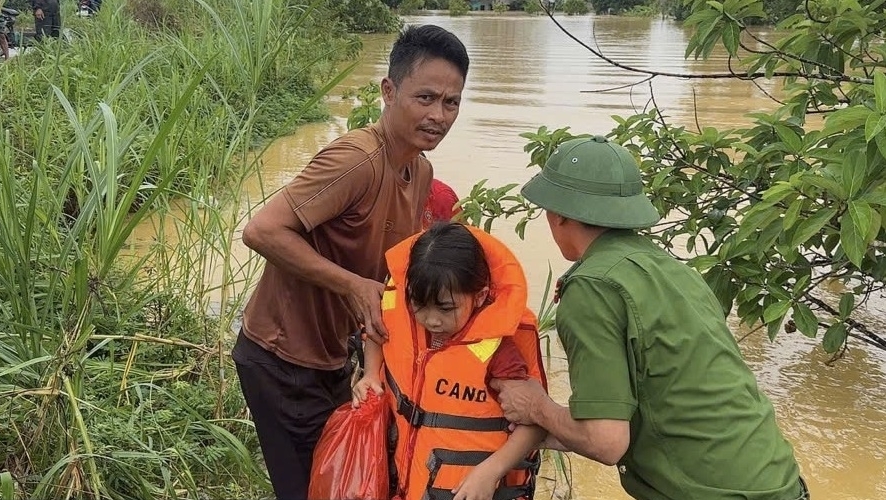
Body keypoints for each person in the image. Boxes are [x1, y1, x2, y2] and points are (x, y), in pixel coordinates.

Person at [491, 136, 809, 500]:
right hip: (781, 483)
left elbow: (606, 441)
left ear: (558, 212)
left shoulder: (592, 287)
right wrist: (557, 429)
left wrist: (536, 405)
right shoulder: (675, 271)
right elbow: (675, 396)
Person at [233, 25, 469, 500]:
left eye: (451, 102)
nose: (438, 115)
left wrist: (374, 366)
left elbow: (391, 276)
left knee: (342, 481)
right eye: (425, 97)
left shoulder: (419, 171)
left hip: (333, 358)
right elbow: (261, 230)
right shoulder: (356, 160)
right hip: (282, 359)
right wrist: (351, 286)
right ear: (388, 91)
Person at [352, 222, 547, 500]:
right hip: (406, 482)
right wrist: (370, 373)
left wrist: (491, 471)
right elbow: (378, 332)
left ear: (479, 296)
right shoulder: (402, 313)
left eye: (446, 308)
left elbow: (535, 422)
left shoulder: (499, 353)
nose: (432, 320)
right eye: (419, 305)